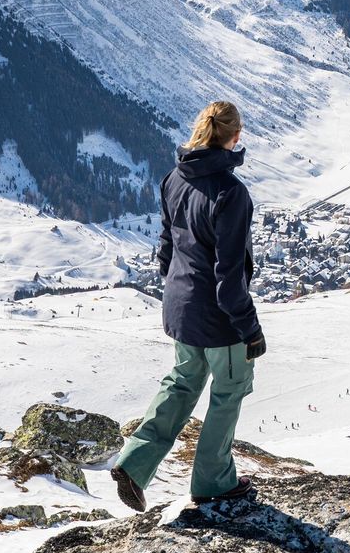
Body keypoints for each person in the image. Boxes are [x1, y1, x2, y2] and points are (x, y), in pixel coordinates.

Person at [110, 101, 265, 511]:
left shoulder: (174, 178)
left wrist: (180, 291)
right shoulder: (231, 193)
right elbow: (229, 276)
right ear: (234, 137)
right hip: (219, 318)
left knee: (181, 382)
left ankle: (134, 462)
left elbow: (166, 247)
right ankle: (213, 480)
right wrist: (250, 330)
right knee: (229, 390)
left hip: (180, 306)